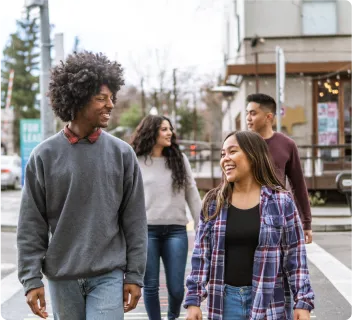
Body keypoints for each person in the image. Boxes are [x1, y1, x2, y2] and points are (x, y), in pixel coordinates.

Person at [17, 51, 148, 320]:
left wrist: (135, 274)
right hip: (62, 277)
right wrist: (31, 280)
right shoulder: (44, 156)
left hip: (108, 274)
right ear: (77, 99)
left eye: (112, 97)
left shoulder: (122, 154)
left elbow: (134, 220)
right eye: (101, 98)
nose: (110, 104)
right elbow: (31, 223)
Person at [184, 130, 314, 320]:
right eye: (222, 154)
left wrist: (302, 302)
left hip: (269, 300)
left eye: (232, 151)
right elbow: (201, 256)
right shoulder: (213, 202)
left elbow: (295, 258)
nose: (225, 159)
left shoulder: (281, 202)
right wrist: (194, 300)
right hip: (225, 301)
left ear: (253, 155)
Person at [131, 115, 202, 320]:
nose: (169, 132)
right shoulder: (136, 160)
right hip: (147, 231)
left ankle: (172, 317)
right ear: (151, 132)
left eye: (170, 128)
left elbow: (192, 192)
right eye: (163, 129)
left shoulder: (179, 159)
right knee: (151, 285)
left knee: (177, 288)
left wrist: (201, 225)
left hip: (176, 231)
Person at [246, 93, 313, 244]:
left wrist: (306, 222)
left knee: (276, 264)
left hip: (276, 217)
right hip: (245, 213)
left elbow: (298, 184)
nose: (248, 118)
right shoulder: (240, 143)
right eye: (247, 113)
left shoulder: (287, 145)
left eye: (253, 113)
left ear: (269, 117)